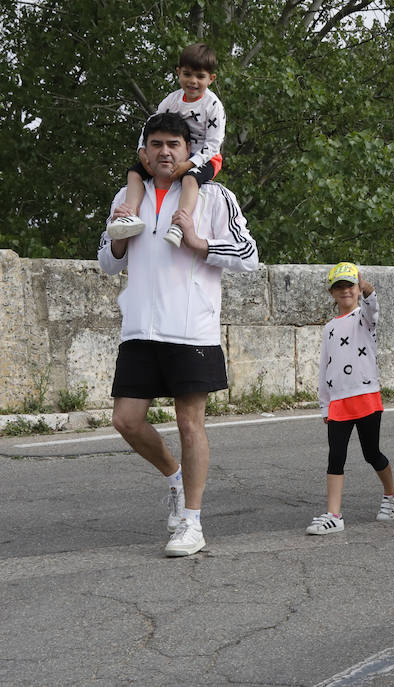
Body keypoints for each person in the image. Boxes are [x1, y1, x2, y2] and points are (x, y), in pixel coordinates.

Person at [98, 112, 258, 557]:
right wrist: (118, 235)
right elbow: (108, 262)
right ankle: (174, 477)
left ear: (189, 151)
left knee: (190, 423)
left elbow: (249, 255)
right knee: (126, 421)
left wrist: (198, 242)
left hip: (191, 330)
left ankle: (192, 522)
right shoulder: (127, 196)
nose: (165, 152)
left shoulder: (213, 196)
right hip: (139, 329)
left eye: (174, 144)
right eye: (157, 144)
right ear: (145, 153)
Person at [308, 262, 394, 535]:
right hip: (339, 401)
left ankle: (392, 494)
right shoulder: (329, 328)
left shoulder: (364, 318)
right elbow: (325, 367)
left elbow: (373, 309)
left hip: (365, 396)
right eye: (339, 287)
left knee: (371, 453)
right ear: (332, 293)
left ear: (357, 289)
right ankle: (334, 515)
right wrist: (324, 404)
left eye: (350, 286)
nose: (345, 291)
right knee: (335, 457)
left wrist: (369, 291)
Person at [106, 43, 226, 248]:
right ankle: (130, 214)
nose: (193, 81)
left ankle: (179, 224)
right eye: (187, 74)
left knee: (190, 179)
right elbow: (151, 123)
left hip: (206, 157)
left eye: (200, 76)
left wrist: (190, 164)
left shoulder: (213, 106)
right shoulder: (173, 100)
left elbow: (214, 144)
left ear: (211, 79)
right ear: (178, 72)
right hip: (178, 153)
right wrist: (142, 150)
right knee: (134, 173)